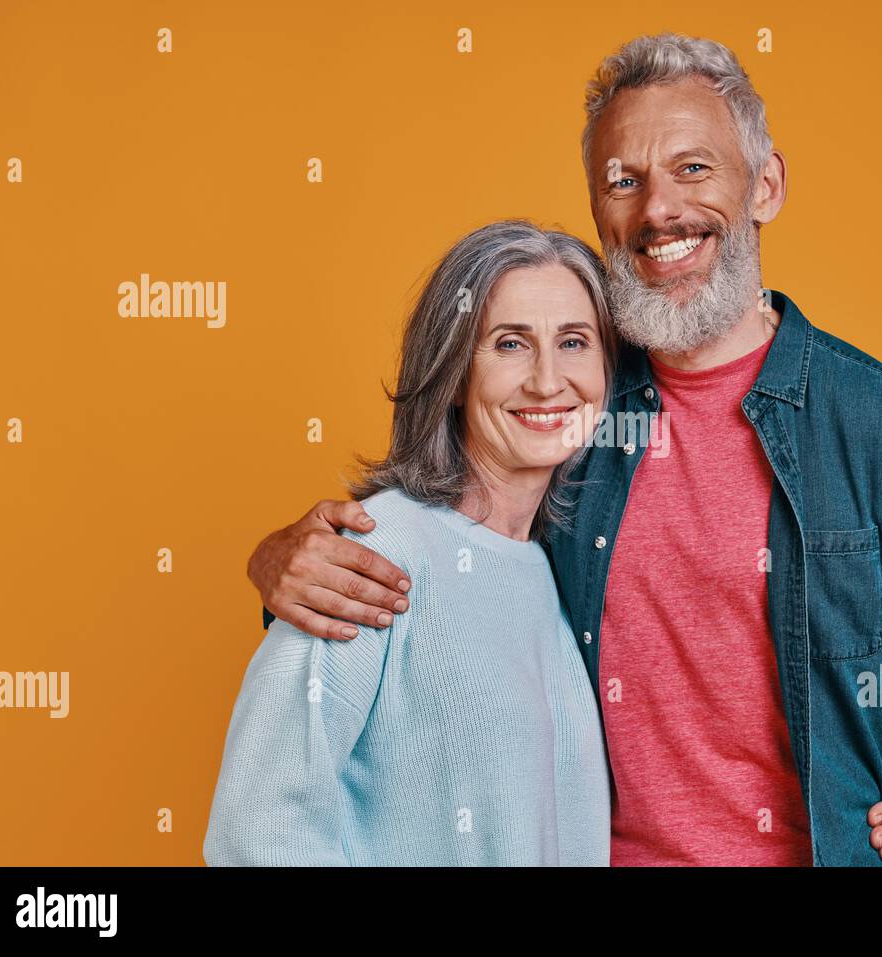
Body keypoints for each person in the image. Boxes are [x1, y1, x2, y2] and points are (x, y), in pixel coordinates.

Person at [249, 33, 882, 867]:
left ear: (765, 184)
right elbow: (425, 562)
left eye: (693, 168)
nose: (658, 210)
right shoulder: (564, 402)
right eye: (623, 181)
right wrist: (277, 563)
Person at [204, 222, 618, 864]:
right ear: (453, 375)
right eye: (510, 344)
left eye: (574, 342)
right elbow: (255, 829)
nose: (547, 379)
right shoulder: (373, 551)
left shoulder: (557, 569)